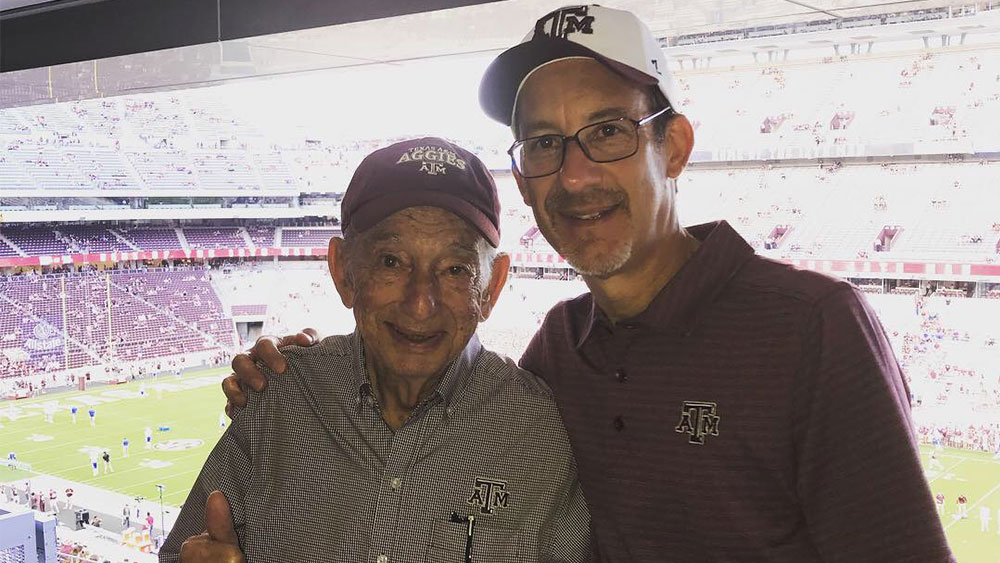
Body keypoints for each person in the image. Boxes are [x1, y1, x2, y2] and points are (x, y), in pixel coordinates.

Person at [226, 5, 954, 561]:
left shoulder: (812, 325)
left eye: (608, 131)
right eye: (545, 144)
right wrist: (300, 373)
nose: (574, 176)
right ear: (524, 177)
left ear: (674, 146)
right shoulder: (560, 350)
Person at [161, 138, 592, 563]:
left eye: (456, 269)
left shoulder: (543, 436)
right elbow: (183, 552)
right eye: (391, 262)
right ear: (343, 271)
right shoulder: (277, 400)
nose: (421, 302)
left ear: (492, 287)